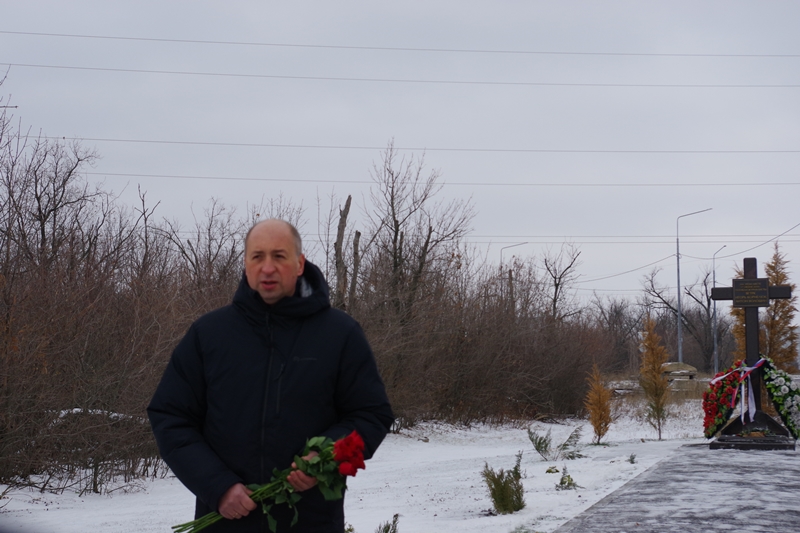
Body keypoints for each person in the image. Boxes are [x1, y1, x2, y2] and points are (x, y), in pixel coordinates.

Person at [148, 219, 394, 532]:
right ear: (246, 264)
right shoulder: (209, 335)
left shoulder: (340, 334)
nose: (267, 268)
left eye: (279, 256)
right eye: (257, 256)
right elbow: (171, 417)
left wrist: (325, 458)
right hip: (224, 522)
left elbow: (371, 415)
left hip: (312, 522)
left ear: (300, 263)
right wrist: (217, 486)